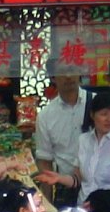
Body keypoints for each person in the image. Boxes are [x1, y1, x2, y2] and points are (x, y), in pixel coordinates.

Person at [33, 73, 88, 204]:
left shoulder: (97, 104)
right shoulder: (45, 115)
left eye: (72, 70)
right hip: (67, 188)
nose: (69, 76)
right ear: (53, 77)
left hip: (101, 186)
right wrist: (47, 202)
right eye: (63, 71)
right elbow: (44, 160)